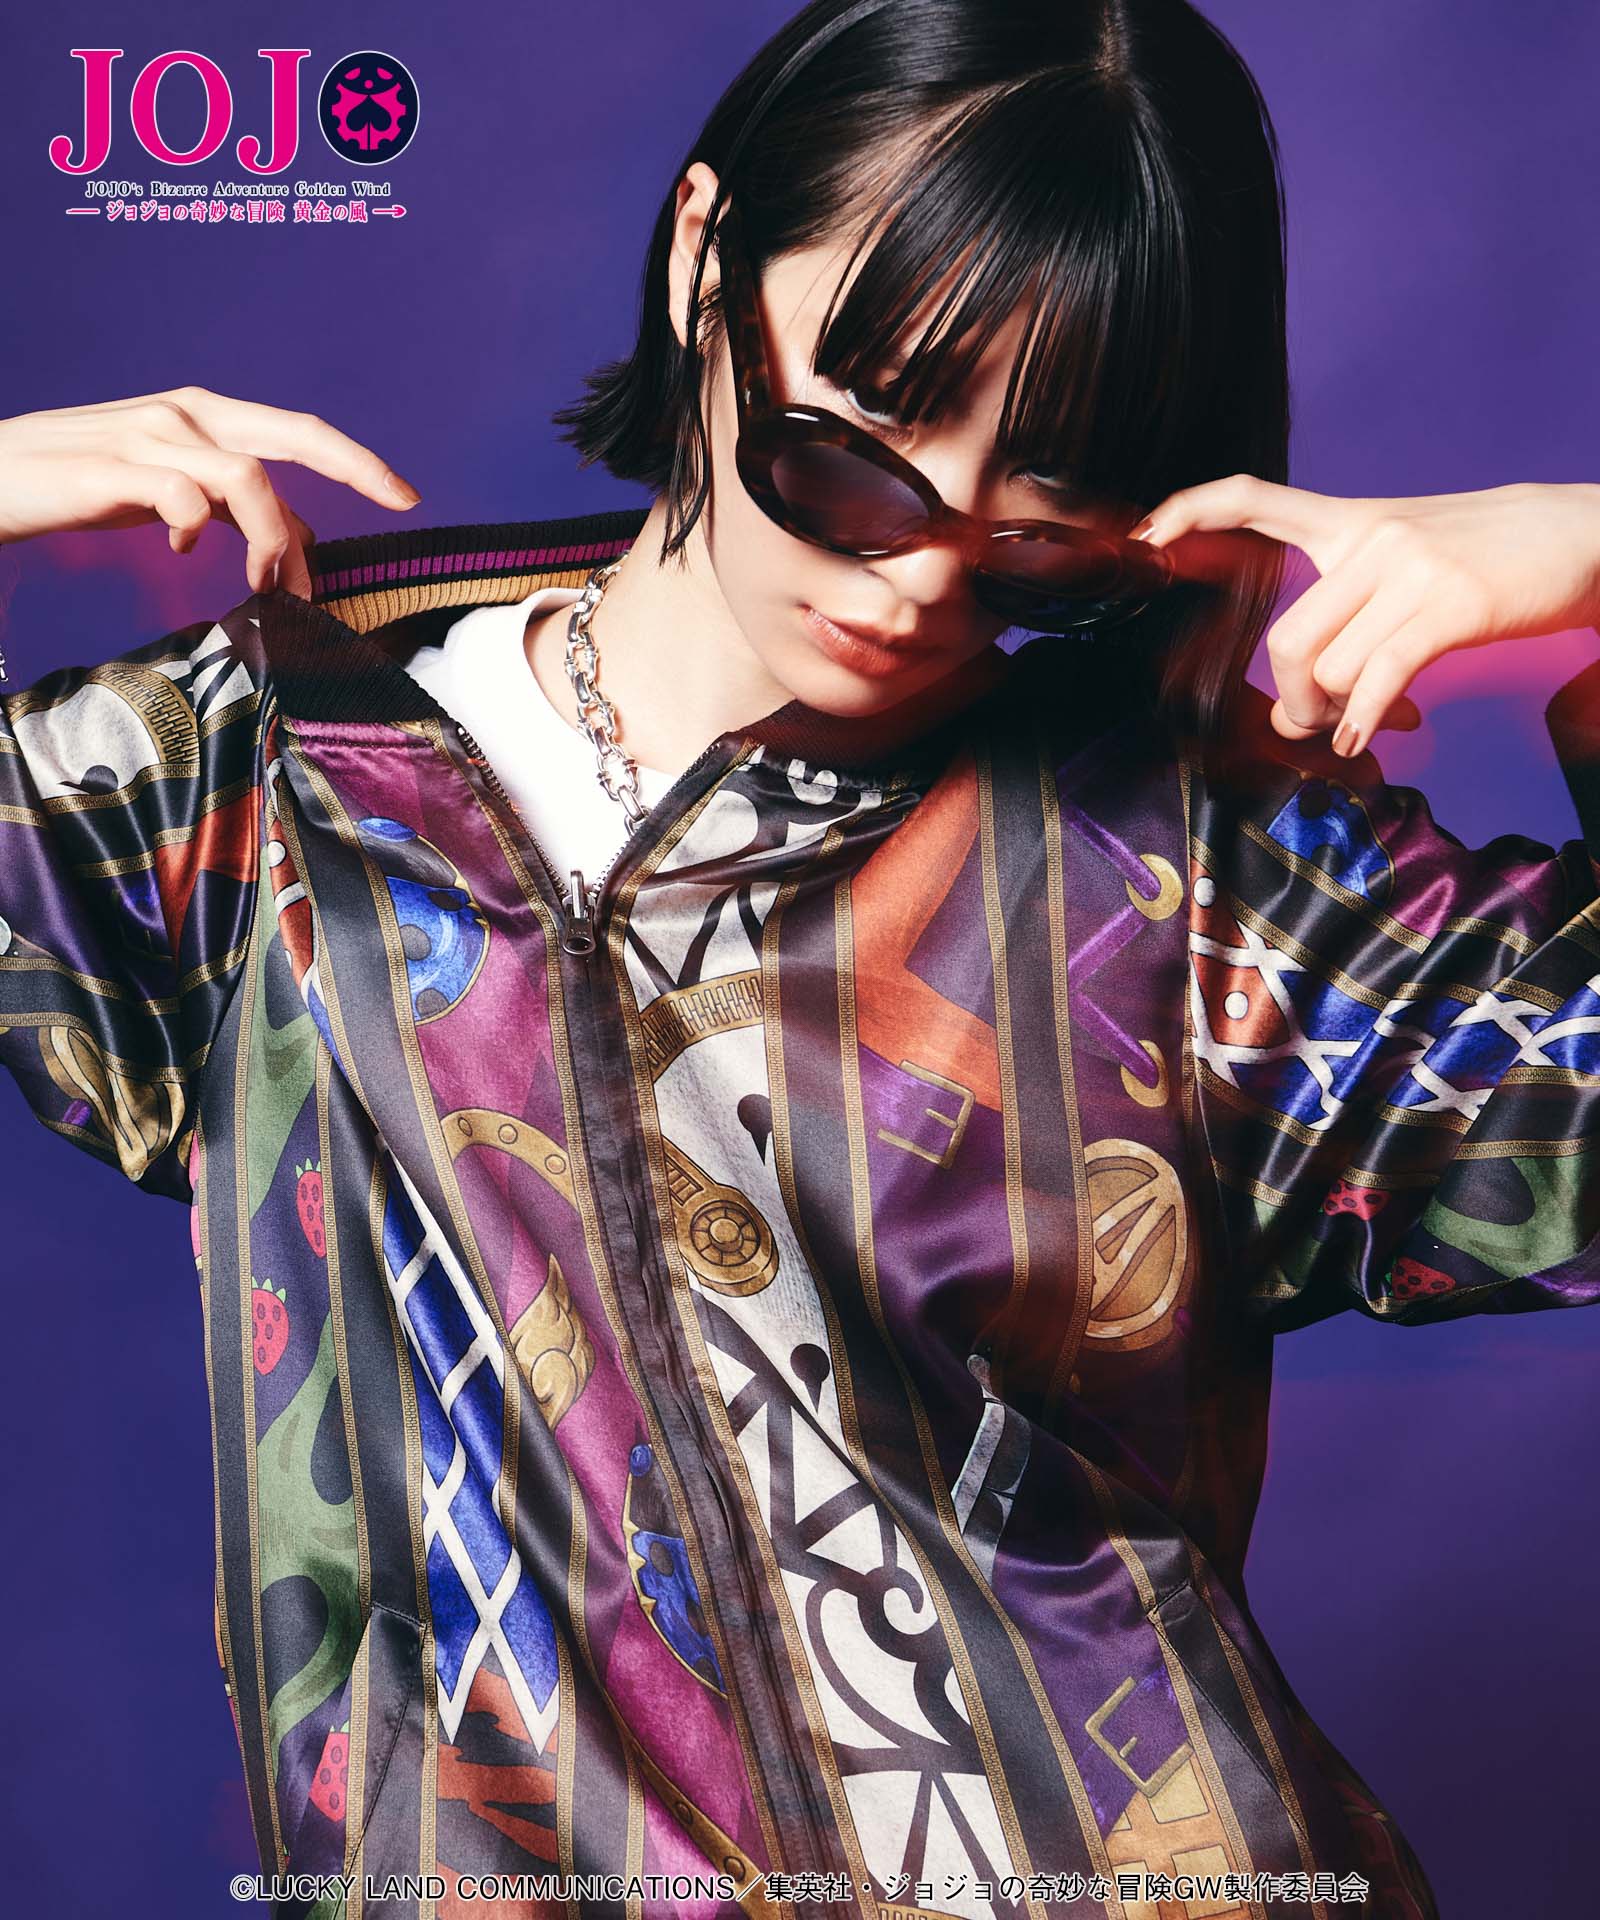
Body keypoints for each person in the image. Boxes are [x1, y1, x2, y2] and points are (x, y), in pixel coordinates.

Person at [2, 2, 1597, 1915]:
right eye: (862, 440)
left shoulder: (1189, 873)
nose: (922, 575)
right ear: (705, 260)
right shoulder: (250, 787)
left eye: (1043, 512)